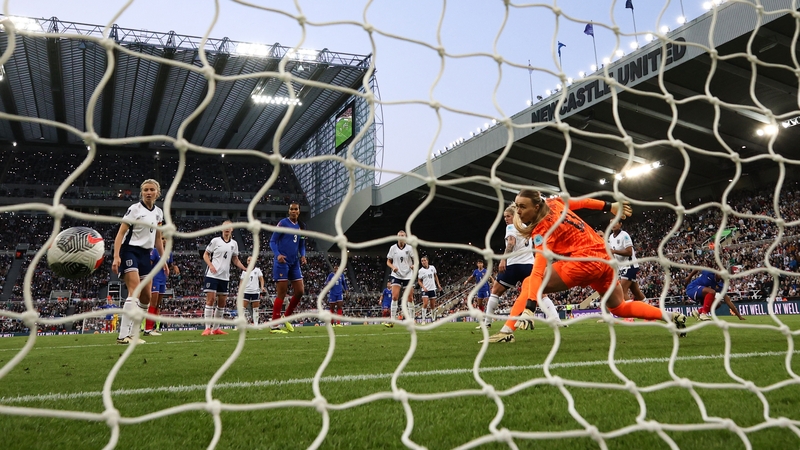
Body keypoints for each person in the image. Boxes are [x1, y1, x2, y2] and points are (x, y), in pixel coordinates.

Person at [483, 189, 687, 344]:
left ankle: (507, 331)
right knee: (619, 307)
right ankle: (671, 316)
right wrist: (609, 206)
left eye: (522, 207)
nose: (518, 211)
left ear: (536, 207)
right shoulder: (555, 202)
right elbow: (582, 202)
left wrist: (530, 308)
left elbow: (537, 271)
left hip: (584, 262)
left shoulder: (543, 231)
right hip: (604, 259)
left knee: (530, 282)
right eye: (516, 206)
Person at [485, 204, 562, 329]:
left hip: (513, 265)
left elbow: (511, 242)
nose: (506, 219)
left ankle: (487, 322)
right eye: (504, 217)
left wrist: (503, 259)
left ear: (515, 216)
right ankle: (556, 319)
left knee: (495, 291)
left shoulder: (511, 227)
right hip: (529, 265)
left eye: (508, 216)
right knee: (540, 293)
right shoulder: (526, 228)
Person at [111, 179, 167, 345]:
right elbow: (120, 234)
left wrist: (163, 259)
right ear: (141, 192)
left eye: (151, 190)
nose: (148, 193)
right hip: (130, 251)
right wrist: (116, 256)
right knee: (134, 291)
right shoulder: (134, 209)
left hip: (145, 254)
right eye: (145, 190)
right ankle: (123, 336)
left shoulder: (158, 213)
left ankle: (134, 334)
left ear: (157, 193)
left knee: (146, 297)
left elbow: (158, 238)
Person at [202, 220, 247, 336]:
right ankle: (207, 328)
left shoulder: (234, 244)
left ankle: (216, 329)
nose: (227, 228)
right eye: (225, 227)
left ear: (232, 229)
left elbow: (235, 259)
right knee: (211, 300)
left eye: (229, 227)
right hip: (212, 275)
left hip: (224, 277)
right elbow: (205, 254)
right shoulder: (215, 241)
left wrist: (244, 268)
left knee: (222, 303)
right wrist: (210, 265)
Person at [269, 202, 307, 334]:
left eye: (296, 209)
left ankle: (286, 317)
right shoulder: (283, 223)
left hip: (294, 262)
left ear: (299, 211)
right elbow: (272, 241)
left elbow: (302, 244)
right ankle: (274, 325)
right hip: (282, 262)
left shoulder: (302, 226)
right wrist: (278, 254)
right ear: (289, 211)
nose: (293, 211)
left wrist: (303, 255)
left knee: (300, 291)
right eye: (291, 209)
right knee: (282, 293)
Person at [144, 236, 178, 336]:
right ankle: (147, 329)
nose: (164, 240)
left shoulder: (169, 253)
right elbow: (149, 264)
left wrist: (174, 267)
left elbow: (169, 265)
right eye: (162, 238)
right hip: (154, 279)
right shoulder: (155, 251)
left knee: (157, 305)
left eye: (166, 238)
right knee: (153, 303)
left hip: (163, 280)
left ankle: (153, 328)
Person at [607, 219, 645, 301]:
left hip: (629, 265)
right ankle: (649, 306)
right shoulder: (611, 237)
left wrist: (614, 251)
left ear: (620, 224)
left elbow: (629, 252)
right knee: (636, 292)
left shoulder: (624, 235)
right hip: (622, 267)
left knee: (621, 292)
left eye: (615, 222)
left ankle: (630, 309)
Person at [385, 230, 414, 328]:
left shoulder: (410, 248)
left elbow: (415, 260)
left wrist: (414, 265)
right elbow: (388, 262)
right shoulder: (393, 248)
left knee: (410, 297)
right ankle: (392, 320)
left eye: (403, 236)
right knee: (394, 297)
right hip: (396, 275)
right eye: (399, 236)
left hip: (408, 275)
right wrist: (393, 267)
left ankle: (411, 320)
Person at [241, 256, 266, 325]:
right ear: (247, 262)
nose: (249, 262)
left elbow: (261, 279)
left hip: (255, 291)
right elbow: (241, 282)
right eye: (248, 260)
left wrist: (262, 287)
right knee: (242, 309)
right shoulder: (244, 271)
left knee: (256, 309)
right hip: (246, 291)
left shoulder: (257, 270)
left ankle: (256, 325)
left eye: (251, 260)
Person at [418, 256, 442, 323]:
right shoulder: (421, 271)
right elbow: (419, 281)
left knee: (432, 305)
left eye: (424, 260)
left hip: (432, 288)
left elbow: (435, 276)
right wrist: (423, 287)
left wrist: (438, 284)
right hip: (425, 289)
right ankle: (423, 320)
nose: (423, 262)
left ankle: (433, 319)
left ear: (427, 261)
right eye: (422, 261)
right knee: (425, 303)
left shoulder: (432, 268)